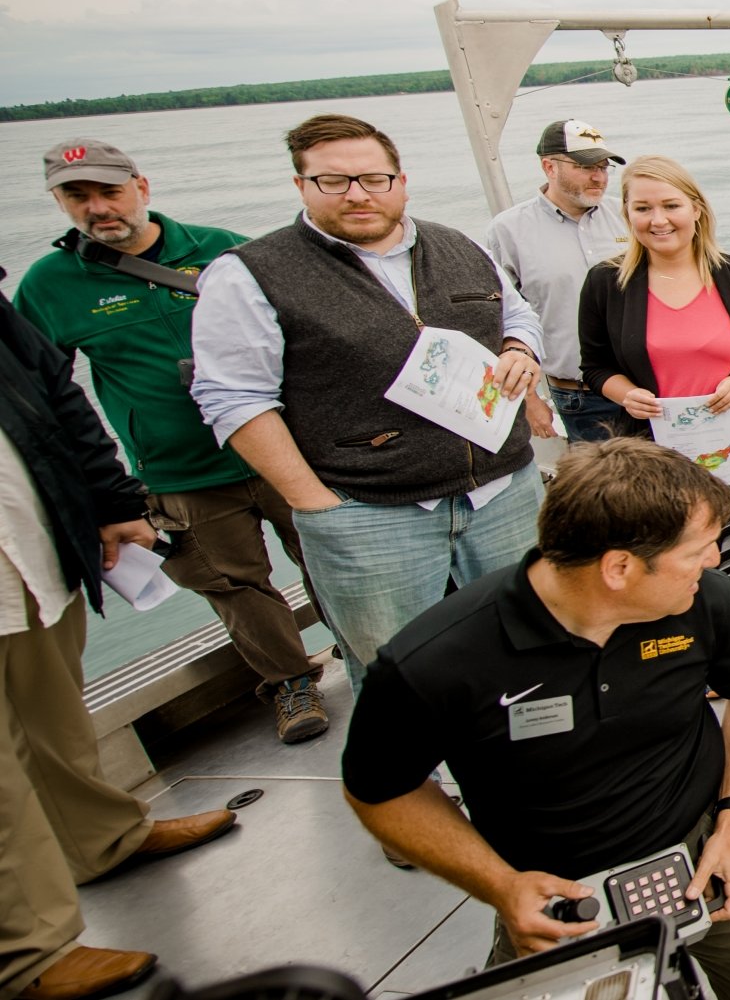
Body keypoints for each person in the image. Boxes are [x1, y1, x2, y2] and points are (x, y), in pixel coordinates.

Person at [339, 438, 730, 1000]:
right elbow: (379, 792)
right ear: (619, 568)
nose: (715, 560)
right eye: (699, 549)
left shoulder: (706, 602)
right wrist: (502, 888)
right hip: (558, 891)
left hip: (704, 844)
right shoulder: (432, 663)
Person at [189, 114, 548, 701]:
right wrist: (316, 504)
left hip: (502, 493)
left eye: (373, 178)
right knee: (397, 671)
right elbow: (234, 399)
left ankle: (522, 767)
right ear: (301, 185)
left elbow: (516, 313)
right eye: (334, 181)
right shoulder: (251, 275)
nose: (358, 194)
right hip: (371, 511)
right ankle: (418, 788)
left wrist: (519, 348)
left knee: (527, 641)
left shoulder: (460, 245)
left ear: (400, 181)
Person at [14, 139, 331, 744]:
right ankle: (291, 681)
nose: (98, 208)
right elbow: (43, 400)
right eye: (77, 196)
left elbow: (301, 333)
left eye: (110, 190)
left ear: (142, 187)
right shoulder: (49, 286)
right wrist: (102, 497)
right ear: (59, 202)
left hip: (281, 447)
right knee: (231, 583)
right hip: (178, 471)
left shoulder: (220, 249)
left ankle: (359, 648)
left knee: (330, 550)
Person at [1, 287, 242, 1000]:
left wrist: (109, 500)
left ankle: (103, 837)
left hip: (28, 546)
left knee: (54, 717)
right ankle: (26, 951)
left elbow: (56, 394)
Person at [580, 156, 730, 506]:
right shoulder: (605, 283)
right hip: (657, 464)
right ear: (627, 213)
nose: (658, 220)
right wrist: (626, 395)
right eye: (643, 208)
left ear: (696, 209)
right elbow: (595, 366)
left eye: (671, 205)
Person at [484, 119, 631, 443]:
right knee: (603, 492)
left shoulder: (628, 215)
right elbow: (501, 320)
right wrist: (530, 400)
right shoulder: (508, 231)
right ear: (549, 166)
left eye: (604, 167)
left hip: (647, 388)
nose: (599, 177)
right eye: (585, 166)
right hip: (581, 397)